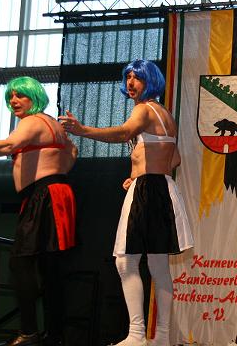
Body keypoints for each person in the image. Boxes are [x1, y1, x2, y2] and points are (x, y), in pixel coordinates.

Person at [59, 59, 193, 346]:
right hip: (162, 188)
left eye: (138, 77)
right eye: (128, 77)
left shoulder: (143, 110)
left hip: (148, 190)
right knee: (158, 264)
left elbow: (123, 133)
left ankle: (136, 334)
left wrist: (82, 130)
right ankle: (163, 337)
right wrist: (139, 174)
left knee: (126, 261)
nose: (131, 82)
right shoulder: (164, 113)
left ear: (151, 81)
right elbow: (175, 159)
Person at [0, 76, 77, 346]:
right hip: (53, 194)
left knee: (21, 263)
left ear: (35, 97)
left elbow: (7, 146)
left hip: (44, 195)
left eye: (20, 95)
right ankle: (54, 335)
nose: (14, 101)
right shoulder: (52, 124)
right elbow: (71, 154)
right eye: (11, 96)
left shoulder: (32, 122)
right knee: (49, 268)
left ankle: (30, 332)